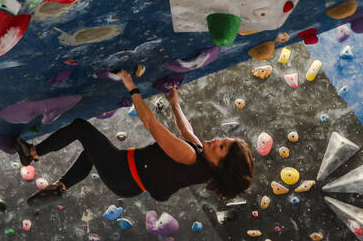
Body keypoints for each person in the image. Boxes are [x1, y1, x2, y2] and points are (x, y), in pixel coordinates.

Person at [14, 68, 252, 203]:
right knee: (92, 152)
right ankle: (62, 186)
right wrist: (175, 104)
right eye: (224, 140)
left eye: (221, 147)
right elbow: (187, 132)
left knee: (81, 128)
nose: (217, 140)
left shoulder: (189, 156)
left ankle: (31, 153)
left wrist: (131, 86)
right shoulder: (201, 162)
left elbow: (150, 123)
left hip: (122, 172)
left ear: (220, 165)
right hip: (126, 181)